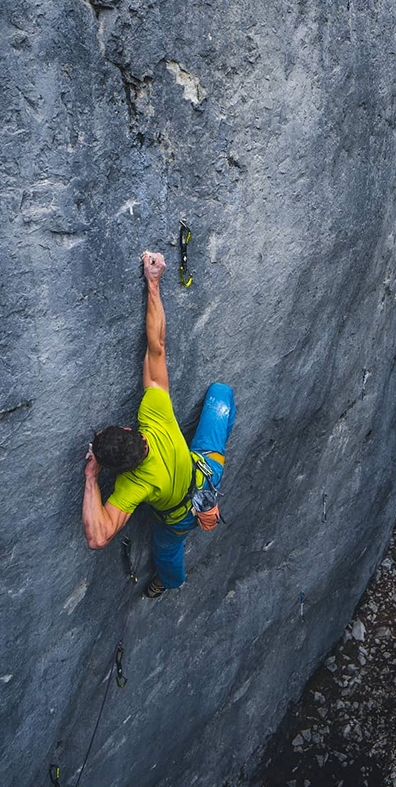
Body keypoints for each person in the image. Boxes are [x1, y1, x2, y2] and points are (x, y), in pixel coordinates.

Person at [81, 250, 236, 598]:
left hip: (181, 512)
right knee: (222, 395)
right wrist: (154, 282)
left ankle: (170, 580)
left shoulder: (132, 486)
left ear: (115, 472)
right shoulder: (154, 412)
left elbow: (99, 537)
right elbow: (157, 346)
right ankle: (174, 572)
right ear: (128, 430)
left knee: (167, 550)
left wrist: (91, 477)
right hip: (206, 469)